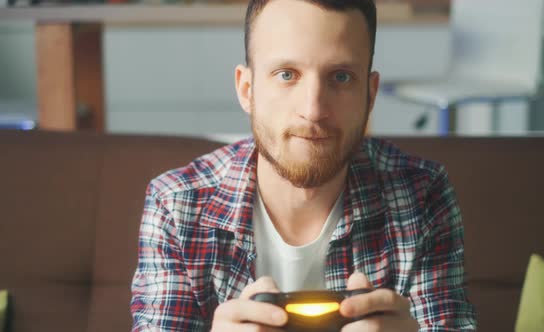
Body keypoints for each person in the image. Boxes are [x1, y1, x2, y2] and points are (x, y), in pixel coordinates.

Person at [130, 0, 477, 330]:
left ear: (370, 95)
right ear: (247, 89)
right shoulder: (176, 205)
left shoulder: (423, 194)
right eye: (286, 74)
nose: (313, 109)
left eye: (340, 77)